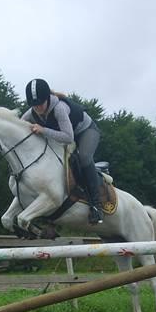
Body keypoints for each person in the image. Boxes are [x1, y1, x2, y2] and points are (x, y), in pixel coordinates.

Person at [21, 78, 104, 225]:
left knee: (84, 157)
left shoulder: (59, 108)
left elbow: (68, 137)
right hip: (65, 135)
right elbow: (21, 128)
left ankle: (96, 206)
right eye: (34, 105)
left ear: (47, 98)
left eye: (40, 104)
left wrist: (43, 130)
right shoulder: (31, 112)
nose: (38, 108)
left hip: (85, 131)